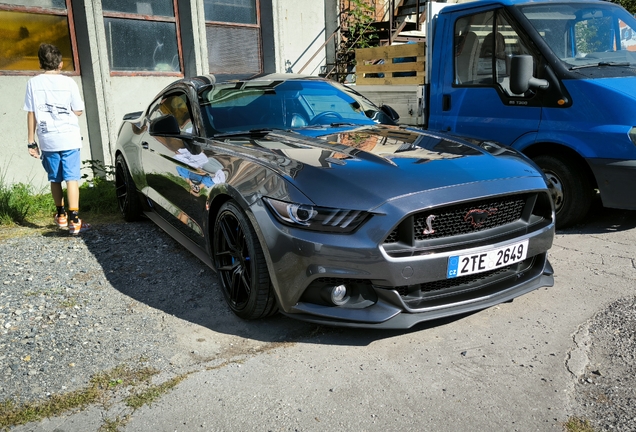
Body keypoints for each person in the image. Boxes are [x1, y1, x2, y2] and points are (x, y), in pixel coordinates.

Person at [23, 43, 90, 234]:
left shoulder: (33, 83)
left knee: (55, 179)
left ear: (40, 63)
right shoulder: (69, 83)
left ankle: (60, 216)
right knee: (72, 178)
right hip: (69, 138)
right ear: (60, 64)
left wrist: (31, 142)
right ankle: (74, 220)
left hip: (48, 139)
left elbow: (31, 114)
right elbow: (78, 110)